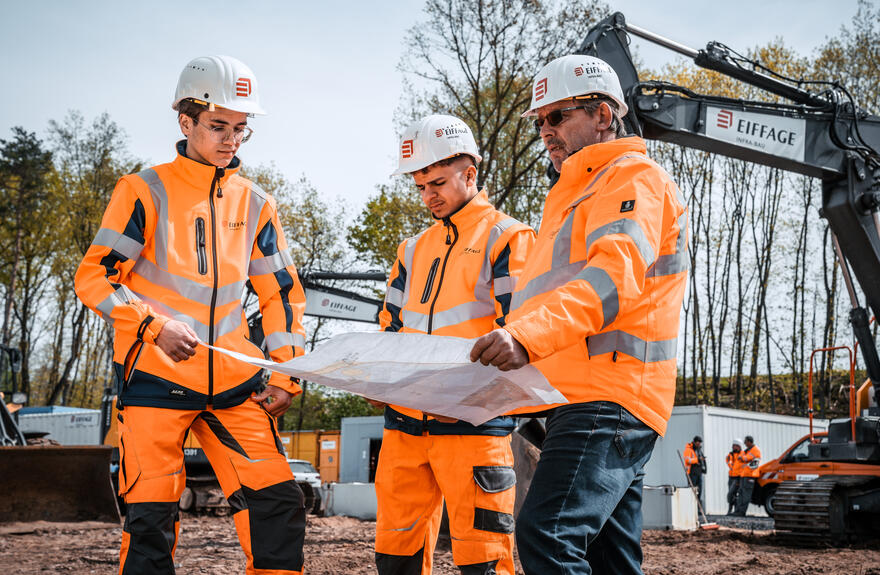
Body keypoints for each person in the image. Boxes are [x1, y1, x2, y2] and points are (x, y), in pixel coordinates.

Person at [75, 55, 308, 574]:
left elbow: (283, 295)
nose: (231, 140)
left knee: (278, 507)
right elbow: (94, 277)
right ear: (186, 122)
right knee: (150, 520)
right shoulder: (143, 191)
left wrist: (288, 373)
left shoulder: (256, 204)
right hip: (155, 380)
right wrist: (153, 327)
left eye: (241, 129)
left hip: (234, 384)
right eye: (219, 126)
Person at [469, 54, 688, 574]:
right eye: (540, 120)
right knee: (607, 557)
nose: (546, 130)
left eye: (559, 116)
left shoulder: (632, 178)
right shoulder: (570, 196)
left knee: (548, 531)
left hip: (609, 396)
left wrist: (526, 336)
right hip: (582, 397)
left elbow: (614, 277)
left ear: (604, 116)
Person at [373, 114, 535, 575]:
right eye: (421, 186)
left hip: (473, 425)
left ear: (471, 172)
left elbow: (520, 329)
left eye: (438, 182)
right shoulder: (411, 249)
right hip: (403, 427)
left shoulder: (507, 237)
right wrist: (373, 375)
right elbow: (390, 328)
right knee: (394, 559)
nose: (429, 196)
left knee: (482, 562)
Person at [734, 435, 762, 516]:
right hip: (744, 475)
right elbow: (741, 457)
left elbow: (745, 458)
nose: (745, 444)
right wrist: (743, 457)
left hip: (750, 475)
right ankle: (737, 511)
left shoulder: (755, 450)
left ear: (750, 442)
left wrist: (743, 458)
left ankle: (742, 512)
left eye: (745, 442)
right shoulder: (747, 450)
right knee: (741, 492)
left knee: (746, 494)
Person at [683, 435, 707, 502]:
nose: (699, 444)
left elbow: (701, 460)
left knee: (699, 490)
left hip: (699, 473)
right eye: (698, 442)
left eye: (700, 442)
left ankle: (698, 507)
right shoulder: (688, 450)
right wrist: (698, 459)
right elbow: (688, 460)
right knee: (692, 491)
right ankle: (692, 506)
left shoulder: (698, 450)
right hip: (691, 473)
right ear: (694, 442)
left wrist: (704, 468)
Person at [726, 439, 745, 515]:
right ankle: (730, 509)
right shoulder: (730, 455)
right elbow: (728, 461)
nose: (734, 447)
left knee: (732, 493)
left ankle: (736, 510)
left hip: (738, 477)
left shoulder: (743, 454)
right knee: (731, 494)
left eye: (736, 446)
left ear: (739, 446)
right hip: (731, 477)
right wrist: (731, 465)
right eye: (733, 446)